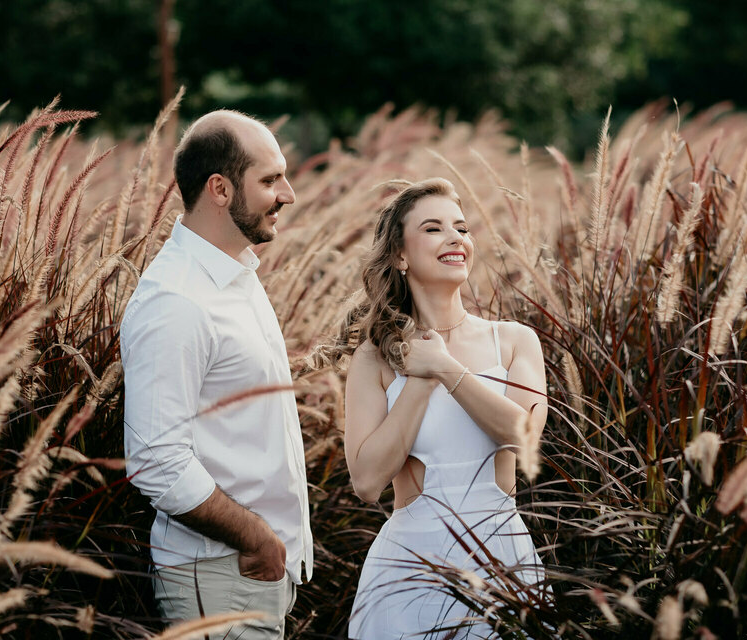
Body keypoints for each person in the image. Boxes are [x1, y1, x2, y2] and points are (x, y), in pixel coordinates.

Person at [314, 178, 547, 638]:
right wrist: (418, 381)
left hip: (502, 560)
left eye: (462, 228)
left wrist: (444, 367)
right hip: (409, 570)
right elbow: (366, 481)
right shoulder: (375, 356)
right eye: (434, 228)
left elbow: (524, 438)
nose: (456, 238)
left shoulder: (515, 340)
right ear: (400, 255)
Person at [120, 110, 312, 639]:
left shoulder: (236, 276)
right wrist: (255, 537)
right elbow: (156, 460)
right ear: (220, 189)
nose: (288, 194)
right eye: (270, 179)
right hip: (218, 576)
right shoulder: (177, 300)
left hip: (245, 576)